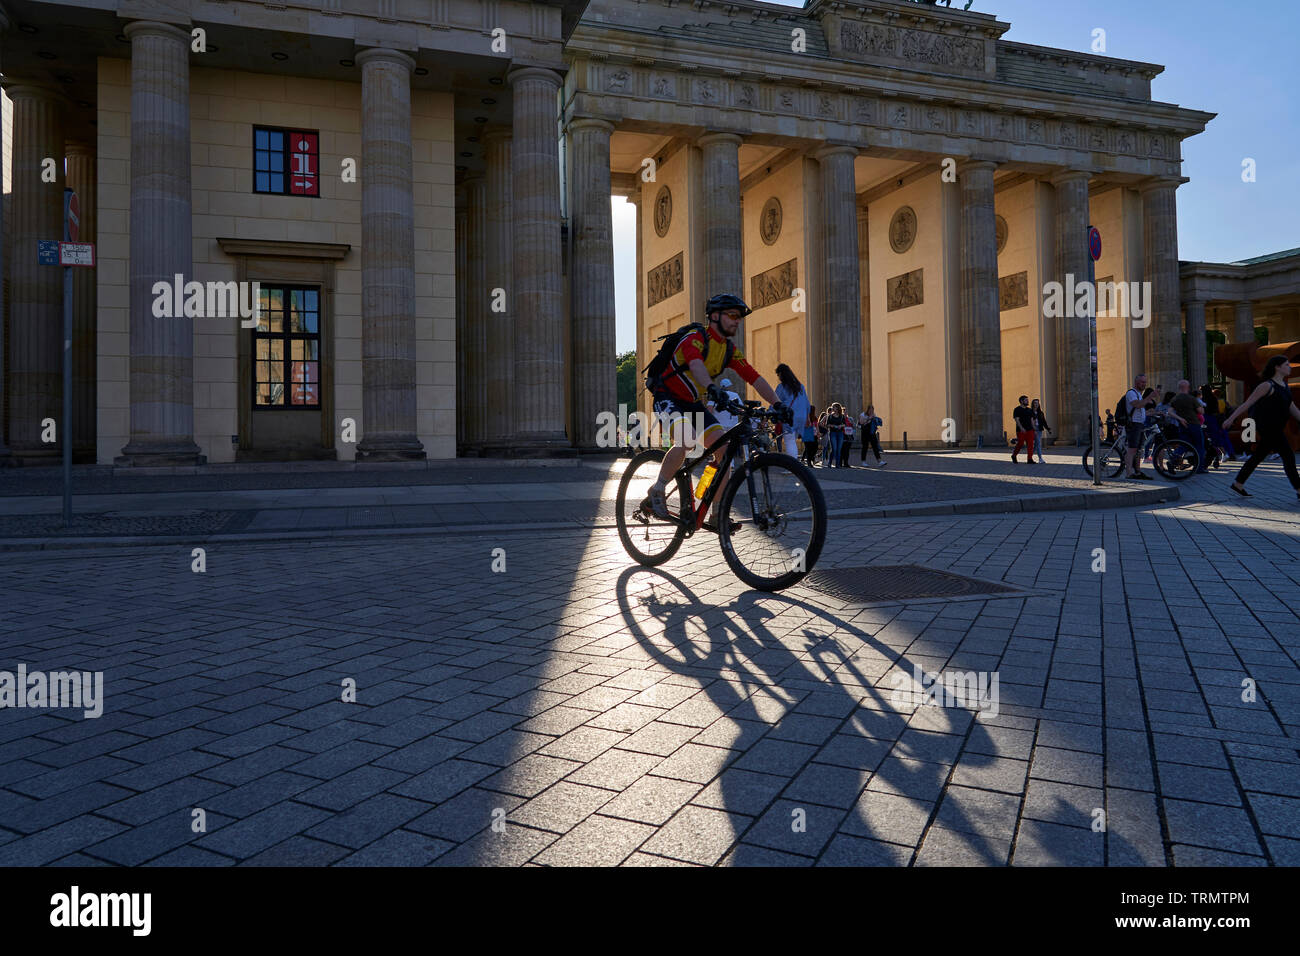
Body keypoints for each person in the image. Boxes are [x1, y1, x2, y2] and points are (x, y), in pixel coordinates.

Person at [644, 293, 783, 531]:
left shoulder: (728, 350)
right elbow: (696, 364)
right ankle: (657, 489)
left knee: (724, 451)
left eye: (739, 317)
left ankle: (715, 510)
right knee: (686, 440)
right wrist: (711, 387)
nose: (737, 321)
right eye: (733, 316)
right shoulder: (695, 338)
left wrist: (779, 404)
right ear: (715, 316)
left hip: (694, 403)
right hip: (667, 396)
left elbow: (753, 376)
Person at [1223, 354, 1300, 499]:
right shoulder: (1267, 385)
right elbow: (1247, 403)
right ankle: (1299, 489)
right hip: (1268, 427)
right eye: (1287, 365)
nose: (1290, 367)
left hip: (1277, 427)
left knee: (1258, 456)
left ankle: (1238, 484)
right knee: (1288, 456)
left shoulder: (1285, 387)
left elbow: (1294, 409)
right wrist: (1230, 419)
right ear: (1277, 367)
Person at [1123, 373, 1157, 480]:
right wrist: (1150, 396)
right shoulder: (1131, 393)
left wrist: (1155, 413)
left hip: (1139, 424)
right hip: (1133, 424)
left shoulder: (1139, 394)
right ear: (1136, 382)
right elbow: (1138, 405)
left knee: (1139, 450)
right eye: (1142, 382)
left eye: (1145, 382)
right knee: (1132, 449)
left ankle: (1137, 472)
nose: (1144, 384)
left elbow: (1141, 411)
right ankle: (1129, 473)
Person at [1170, 380, 1208, 474]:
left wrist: (1180, 419)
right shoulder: (1191, 399)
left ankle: (1172, 461)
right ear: (1188, 387)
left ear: (1179, 387)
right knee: (1199, 446)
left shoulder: (1175, 399)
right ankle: (1199, 468)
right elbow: (1201, 411)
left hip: (1182, 425)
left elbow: (1170, 412)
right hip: (1194, 424)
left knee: (1184, 445)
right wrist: (1202, 407)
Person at [774, 364, 810, 459]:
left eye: (778, 375)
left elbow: (775, 402)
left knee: (789, 442)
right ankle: (795, 465)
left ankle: (792, 466)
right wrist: (807, 418)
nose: (778, 377)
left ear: (781, 374)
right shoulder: (800, 386)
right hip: (801, 418)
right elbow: (807, 404)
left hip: (789, 417)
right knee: (792, 441)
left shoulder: (781, 387)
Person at [1202, 384, 1236, 461]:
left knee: (1218, 437)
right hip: (1222, 420)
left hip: (1215, 421)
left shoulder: (1208, 400)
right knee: (1225, 437)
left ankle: (1224, 453)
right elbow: (1229, 410)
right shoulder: (1223, 401)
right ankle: (1231, 453)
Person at [1011, 395, 1036, 464]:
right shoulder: (1017, 409)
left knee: (1030, 444)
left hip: (1030, 430)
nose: (1027, 401)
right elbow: (1017, 420)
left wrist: (1034, 428)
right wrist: (1021, 428)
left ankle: (1030, 459)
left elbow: (1032, 420)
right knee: (1020, 443)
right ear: (1021, 401)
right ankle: (1014, 455)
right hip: (1021, 430)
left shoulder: (1029, 410)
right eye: (1026, 400)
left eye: (1027, 400)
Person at [1030, 399, 1051, 463]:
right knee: (1037, 444)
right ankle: (1037, 458)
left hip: (1039, 429)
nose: (1036, 404)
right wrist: (1033, 429)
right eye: (1035, 403)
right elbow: (1029, 421)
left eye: (1037, 403)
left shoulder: (1041, 413)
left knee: (1037, 444)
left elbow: (1044, 421)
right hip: (1032, 429)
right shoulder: (1030, 412)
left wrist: (1048, 429)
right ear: (1032, 404)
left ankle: (1035, 457)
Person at [825, 403, 846, 467]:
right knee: (834, 449)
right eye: (832, 407)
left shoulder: (842, 416)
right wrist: (832, 425)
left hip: (840, 433)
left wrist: (840, 426)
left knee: (839, 449)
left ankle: (838, 464)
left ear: (837, 408)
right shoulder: (830, 416)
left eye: (834, 407)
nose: (832, 408)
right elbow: (827, 425)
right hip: (832, 433)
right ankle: (830, 462)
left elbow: (844, 424)